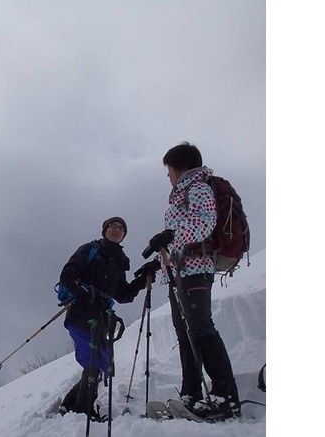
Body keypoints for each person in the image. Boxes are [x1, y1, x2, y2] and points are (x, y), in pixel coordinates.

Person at [144, 142, 241, 420]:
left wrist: (170, 236)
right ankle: (192, 394)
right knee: (186, 334)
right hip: (180, 272)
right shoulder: (180, 195)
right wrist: (161, 260)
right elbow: (185, 233)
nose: (168, 176)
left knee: (200, 329)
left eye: (169, 170)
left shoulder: (197, 188)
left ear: (180, 167)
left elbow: (203, 223)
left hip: (196, 269)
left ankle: (226, 398)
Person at [55, 217, 157, 418]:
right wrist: (83, 290)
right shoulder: (89, 249)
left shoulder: (120, 261)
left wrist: (142, 279)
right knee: (92, 360)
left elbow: (123, 295)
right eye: (113, 226)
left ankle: (69, 405)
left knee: (99, 363)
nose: (117, 230)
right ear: (105, 230)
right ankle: (83, 411)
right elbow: (67, 274)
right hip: (81, 312)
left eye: (121, 228)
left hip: (102, 317)